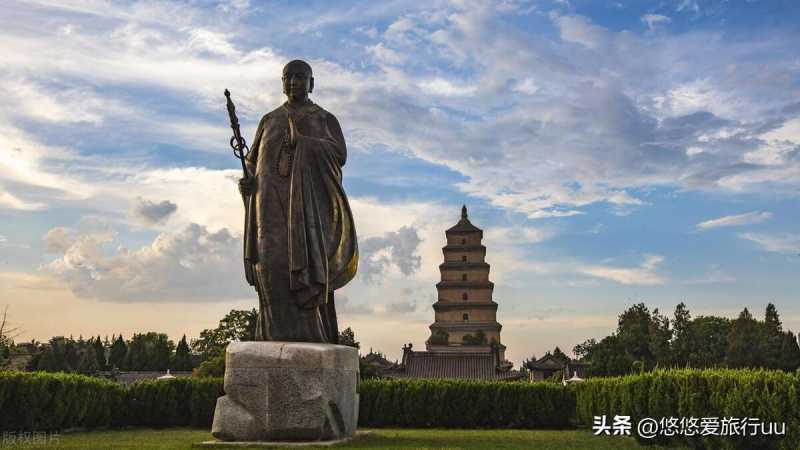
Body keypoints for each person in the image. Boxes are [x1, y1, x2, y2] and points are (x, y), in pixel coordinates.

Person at [238, 60, 358, 343]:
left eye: (300, 77)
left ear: (311, 83)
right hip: (267, 209)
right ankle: (270, 337)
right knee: (270, 267)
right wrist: (248, 182)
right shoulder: (269, 120)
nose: (293, 82)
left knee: (304, 270)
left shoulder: (323, 118)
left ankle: (312, 336)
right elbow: (252, 162)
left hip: (306, 211)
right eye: (288, 77)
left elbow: (339, 155)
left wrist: (302, 141)